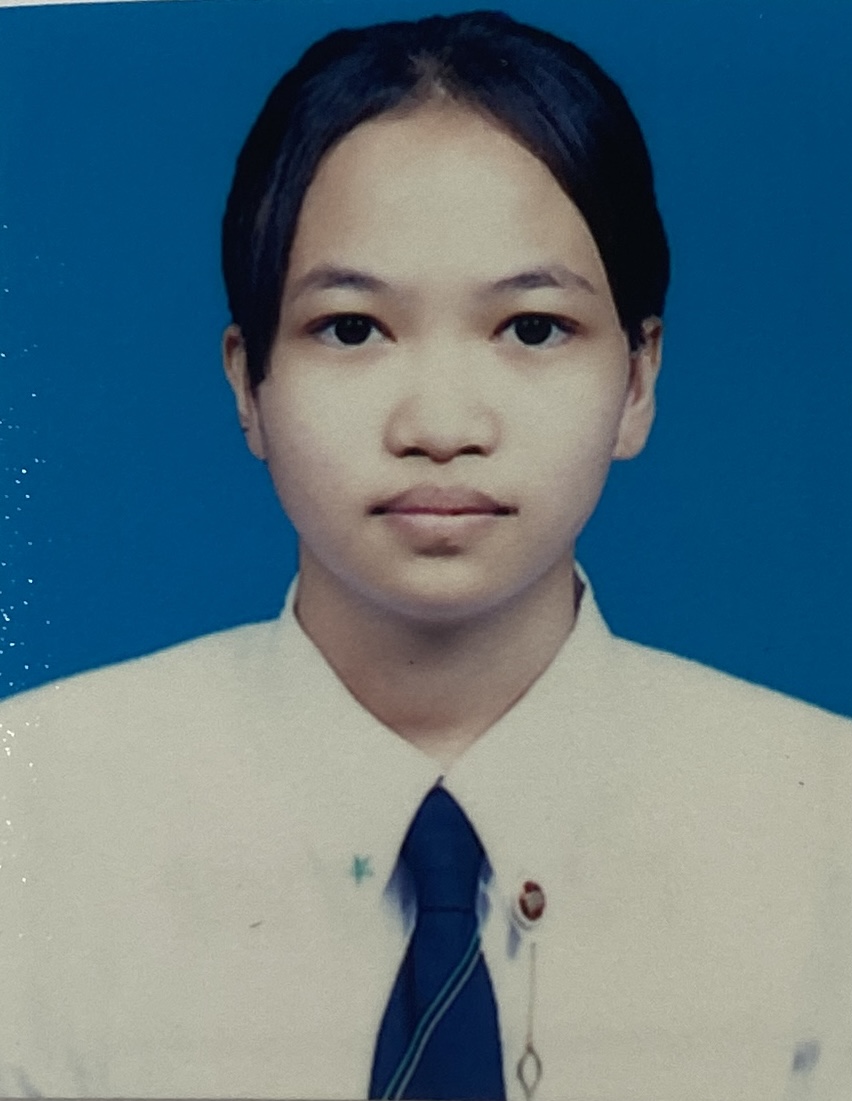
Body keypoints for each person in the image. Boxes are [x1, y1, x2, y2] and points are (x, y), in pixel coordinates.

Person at [1, 9, 849, 1100]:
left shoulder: (824, 831)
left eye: (532, 328)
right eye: (352, 329)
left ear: (638, 381)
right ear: (246, 383)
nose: (441, 425)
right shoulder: (36, 817)